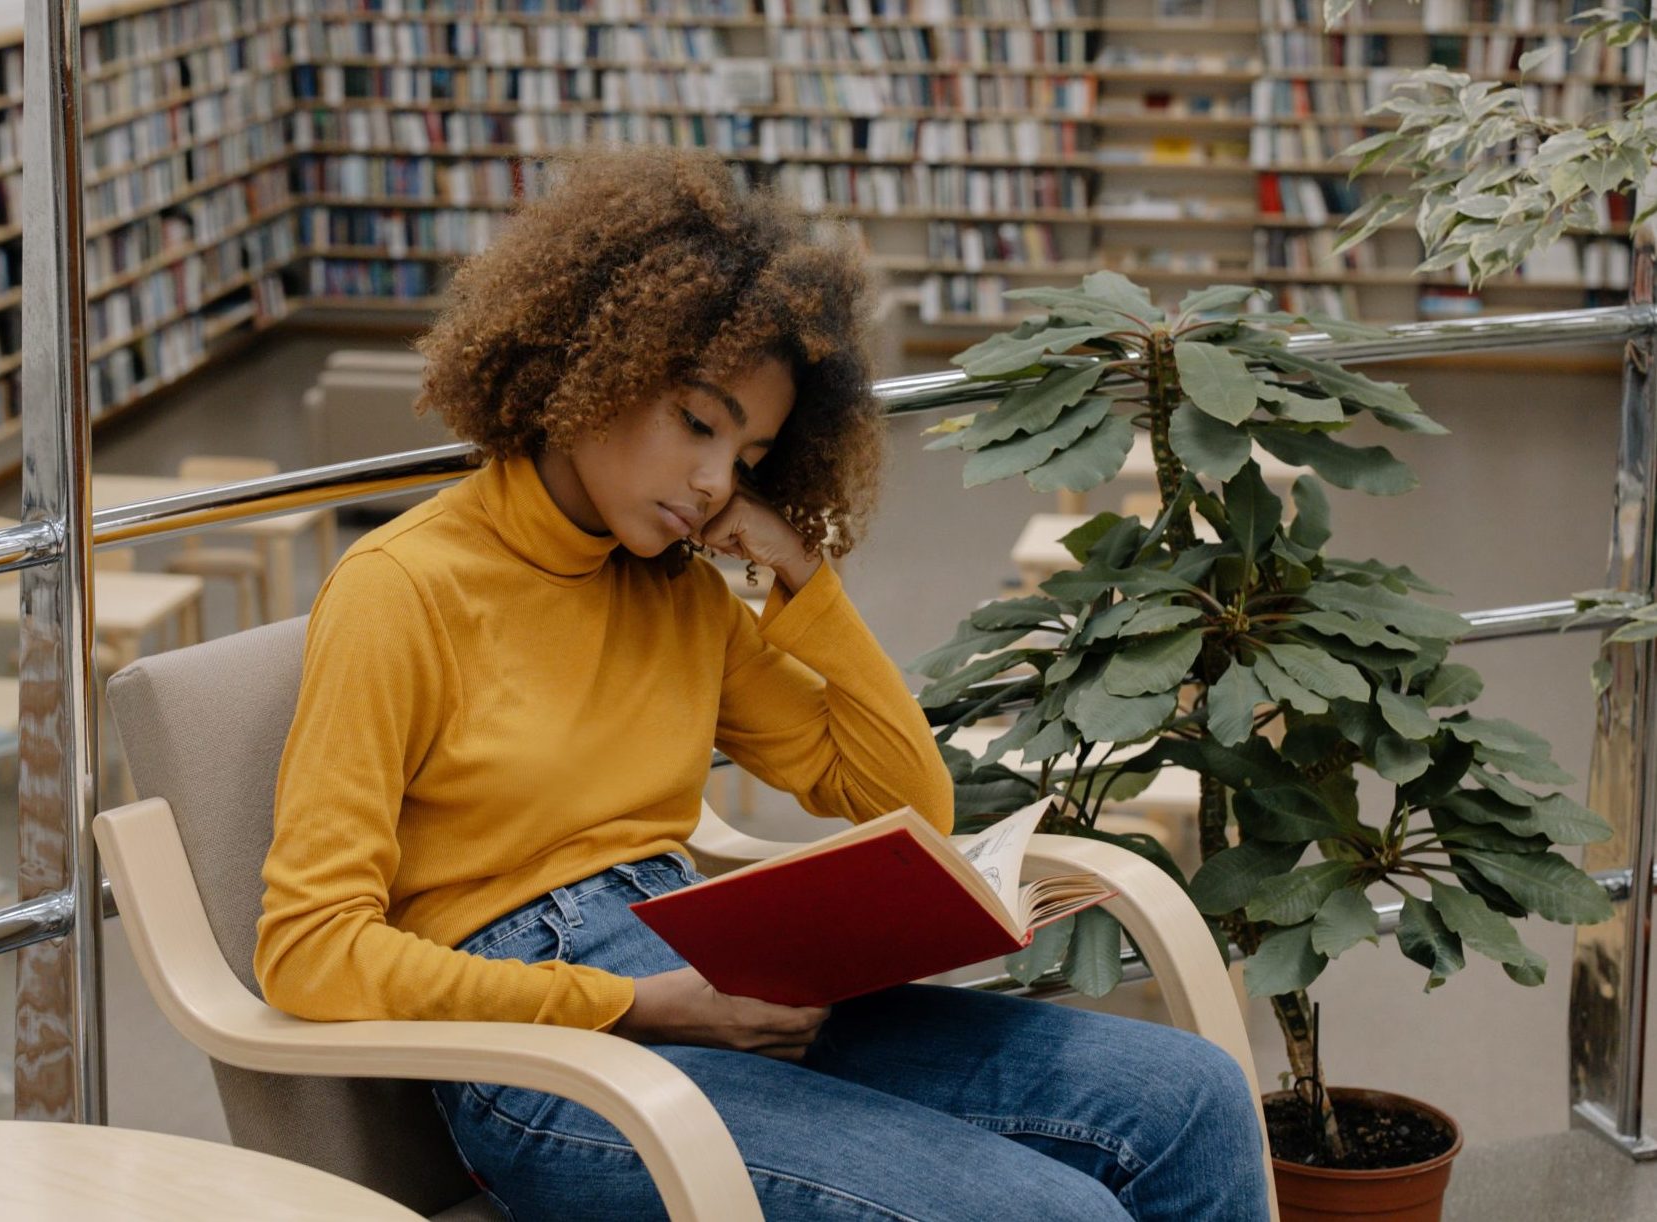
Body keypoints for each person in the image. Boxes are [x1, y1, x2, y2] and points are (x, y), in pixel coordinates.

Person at [254, 146, 1270, 1221]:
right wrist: (640, 1004)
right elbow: (308, 951)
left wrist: (804, 578)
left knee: (1194, 1096)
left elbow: (904, 802)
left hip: (709, 965)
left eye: (749, 454)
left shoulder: (681, 594)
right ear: (588, 361)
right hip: (545, 1055)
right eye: (698, 421)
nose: (712, 482)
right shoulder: (402, 589)